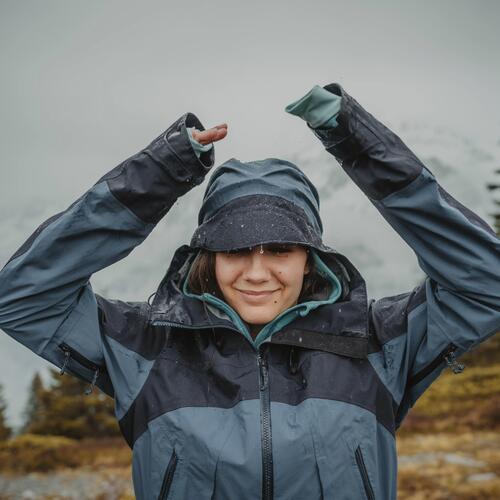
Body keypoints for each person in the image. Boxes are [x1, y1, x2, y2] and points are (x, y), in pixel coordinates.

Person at [0, 83, 498, 500]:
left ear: (312, 257)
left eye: (281, 248)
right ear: (207, 256)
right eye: (234, 249)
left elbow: (486, 284)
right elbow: (22, 297)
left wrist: (356, 142)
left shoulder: (378, 342)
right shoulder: (147, 346)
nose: (257, 273)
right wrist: (161, 171)